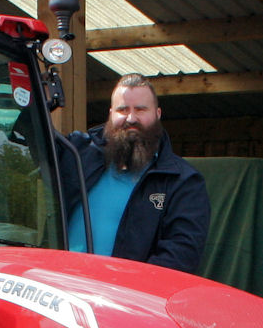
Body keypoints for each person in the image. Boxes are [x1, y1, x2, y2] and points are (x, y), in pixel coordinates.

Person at [60, 73, 210, 274]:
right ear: (111, 113)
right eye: (123, 110)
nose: (131, 118)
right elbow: (31, 139)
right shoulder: (78, 154)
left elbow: (180, 257)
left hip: (121, 298)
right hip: (59, 288)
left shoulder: (183, 182)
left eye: (140, 109)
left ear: (157, 113)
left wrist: (122, 286)